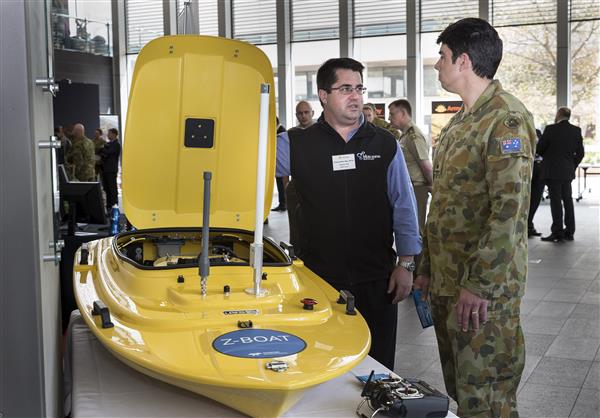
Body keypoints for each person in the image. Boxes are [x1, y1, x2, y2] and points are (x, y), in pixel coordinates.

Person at [413, 18, 536, 417]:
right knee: (462, 391)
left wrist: (480, 285)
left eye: (442, 56)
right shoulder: (459, 124)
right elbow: (442, 205)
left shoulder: (505, 120)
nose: (437, 65)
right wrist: (428, 269)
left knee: (487, 397)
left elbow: (509, 212)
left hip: (483, 293)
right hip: (450, 283)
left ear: (463, 61)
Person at [276, 57, 421, 370]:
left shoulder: (384, 144)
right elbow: (248, 164)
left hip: (376, 279)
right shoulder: (296, 143)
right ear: (324, 96)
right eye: (345, 89)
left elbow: (404, 204)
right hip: (318, 280)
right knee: (321, 365)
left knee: (378, 369)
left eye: (359, 88)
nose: (355, 96)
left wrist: (407, 263)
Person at [538, 107, 585, 242]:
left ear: (558, 114)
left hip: (552, 171)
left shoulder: (550, 129)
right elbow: (580, 153)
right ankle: (569, 231)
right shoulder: (576, 131)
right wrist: (572, 165)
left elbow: (540, 149)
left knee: (556, 202)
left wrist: (547, 156)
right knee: (568, 200)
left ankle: (557, 232)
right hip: (567, 171)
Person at [388, 99, 433, 234]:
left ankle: (419, 256)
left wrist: (432, 185)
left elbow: (425, 165)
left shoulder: (414, 136)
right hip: (410, 187)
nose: (389, 118)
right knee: (408, 227)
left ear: (403, 114)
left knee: (416, 229)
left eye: (392, 114)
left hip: (417, 188)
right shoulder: (405, 136)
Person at [285, 101, 315, 247]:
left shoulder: (321, 133)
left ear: (312, 113)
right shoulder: (291, 134)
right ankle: (296, 249)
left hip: (318, 185)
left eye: (306, 112)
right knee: (295, 223)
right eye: (300, 113)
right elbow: (284, 160)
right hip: (296, 184)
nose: (303, 116)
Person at [528, 129, 545, 237]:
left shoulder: (538, 132)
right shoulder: (521, 131)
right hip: (527, 168)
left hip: (539, 168)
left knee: (536, 198)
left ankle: (529, 224)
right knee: (527, 198)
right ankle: (527, 226)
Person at [101, 128, 121, 212]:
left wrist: (104, 149)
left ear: (114, 134)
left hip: (111, 170)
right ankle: (109, 206)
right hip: (105, 169)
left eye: (109, 133)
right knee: (107, 188)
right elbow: (103, 152)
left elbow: (107, 153)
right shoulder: (108, 144)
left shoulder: (116, 144)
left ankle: (114, 206)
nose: (108, 135)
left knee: (112, 189)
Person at [272, 117, 288, 212]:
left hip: (282, 164)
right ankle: (282, 204)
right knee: (280, 185)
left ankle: (283, 204)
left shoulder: (281, 132)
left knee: (282, 185)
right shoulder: (279, 131)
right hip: (280, 164)